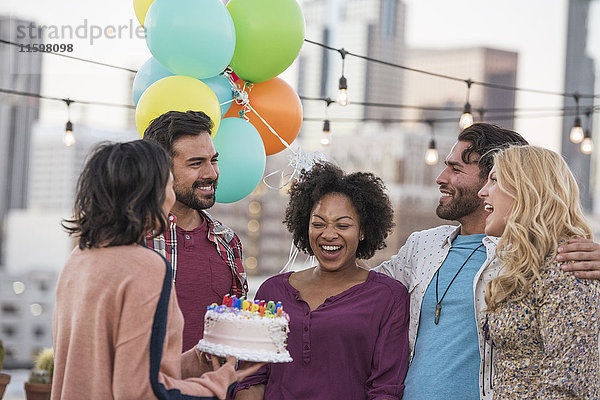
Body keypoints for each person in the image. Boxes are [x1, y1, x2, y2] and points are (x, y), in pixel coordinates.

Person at [372, 123, 600, 399]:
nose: (441, 178)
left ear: (522, 188)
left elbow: (573, 380)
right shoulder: (424, 245)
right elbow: (361, 289)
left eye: (456, 169)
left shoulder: (552, 262)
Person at [53, 140, 263, 399]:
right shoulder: (145, 266)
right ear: (148, 194)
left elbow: (119, 368)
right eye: (167, 184)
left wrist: (198, 359)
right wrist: (218, 383)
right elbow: (142, 391)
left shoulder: (79, 258)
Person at [234, 162, 410, 399]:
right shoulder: (272, 291)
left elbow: (385, 390)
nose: (328, 234)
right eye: (318, 224)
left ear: (363, 231)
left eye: (343, 225)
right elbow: (250, 379)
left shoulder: (389, 297)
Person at [477, 145, 599, 398]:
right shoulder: (527, 265)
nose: (482, 191)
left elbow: (570, 382)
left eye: (495, 180)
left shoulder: (568, 266)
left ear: (527, 190)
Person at [143, 110, 248, 352]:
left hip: (216, 389)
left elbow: (237, 330)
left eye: (213, 160)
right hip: (146, 389)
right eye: (196, 163)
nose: (211, 173)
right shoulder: (135, 238)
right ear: (162, 170)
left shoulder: (228, 242)